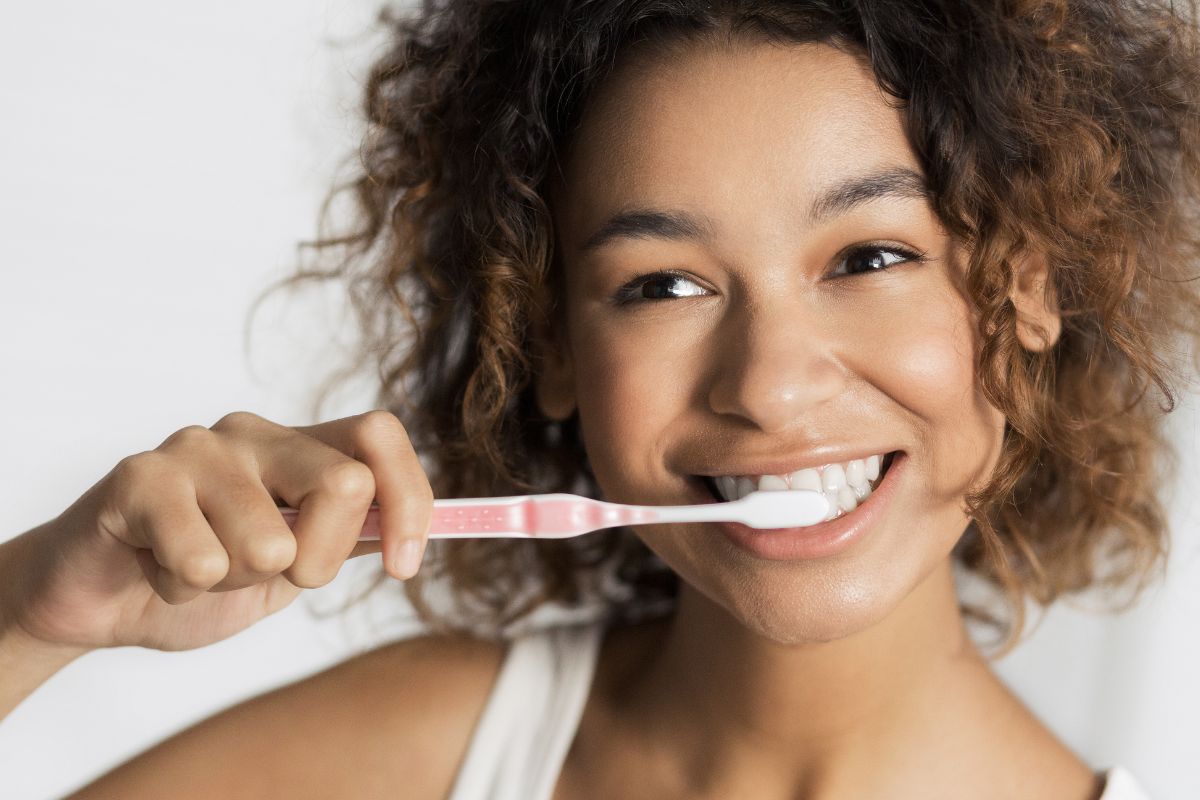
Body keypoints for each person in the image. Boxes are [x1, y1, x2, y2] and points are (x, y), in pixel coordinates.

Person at [2, 1, 1198, 797]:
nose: (771, 386)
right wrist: (32, 615)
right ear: (553, 343)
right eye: (661, 283)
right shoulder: (413, 751)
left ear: (1024, 284)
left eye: (869, 257)